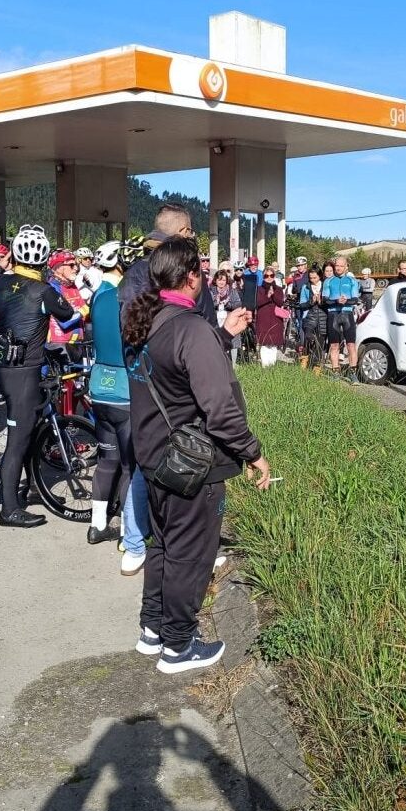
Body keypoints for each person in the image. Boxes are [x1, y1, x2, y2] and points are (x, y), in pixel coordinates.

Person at [123, 237, 269, 674]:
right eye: (201, 272)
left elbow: (174, 374)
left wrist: (222, 335)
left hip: (153, 455)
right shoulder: (190, 328)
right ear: (192, 277)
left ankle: (153, 629)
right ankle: (179, 645)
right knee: (191, 554)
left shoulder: (146, 321)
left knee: (164, 546)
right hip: (190, 463)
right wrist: (253, 452)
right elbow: (218, 409)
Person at [0, 226, 77, 528]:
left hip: (3, 368)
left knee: (27, 433)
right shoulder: (43, 290)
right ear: (43, 259)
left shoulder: (0, 281)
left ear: (15, 255)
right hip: (25, 373)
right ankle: (9, 509)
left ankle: (27, 488)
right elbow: (68, 315)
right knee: (16, 442)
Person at [85, 240, 134, 558]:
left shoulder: (99, 295)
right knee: (130, 466)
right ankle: (129, 534)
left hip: (99, 385)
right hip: (124, 388)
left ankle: (97, 525)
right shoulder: (125, 297)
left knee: (106, 461)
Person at [323, 256, 360, 383]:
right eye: (336, 266)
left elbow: (355, 299)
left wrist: (345, 301)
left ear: (346, 267)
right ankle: (335, 371)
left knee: (351, 345)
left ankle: (353, 373)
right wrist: (336, 301)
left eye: (341, 266)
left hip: (347, 314)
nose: (338, 268)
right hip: (333, 314)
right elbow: (325, 299)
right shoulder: (328, 281)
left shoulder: (352, 280)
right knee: (334, 345)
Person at [46, 250, 87, 351]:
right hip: (58, 344)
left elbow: (84, 312)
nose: (76, 268)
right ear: (59, 267)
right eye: (71, 265)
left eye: (76, 265)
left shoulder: (72, 285)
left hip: (77, 343)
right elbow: (64, 321)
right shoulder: (52, 288)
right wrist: (85, 309)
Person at [253, 265, 286, 368]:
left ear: (274, 276)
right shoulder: (259, 289)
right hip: (263, 319)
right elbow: (257, 303)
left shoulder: (279, 289)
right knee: (264, 344)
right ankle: (265, 366)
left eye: (271, 275)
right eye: (266, 276)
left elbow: (280, 302)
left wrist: (273, 294)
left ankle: (272, 366)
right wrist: (267, 296)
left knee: (273, 344)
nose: (269, 277)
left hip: (276, 319)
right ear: (263, 277)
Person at [298, 267, 328, 368]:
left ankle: (316, 366)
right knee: (308, 336)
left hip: (323, 316)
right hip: (309, 315)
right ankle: (305, 359)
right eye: (310, 278)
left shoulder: (325, 286)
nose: (312, 280)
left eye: (315, 278)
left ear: (320, 276)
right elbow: (302, 304)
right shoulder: (305, 287)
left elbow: (330, 302)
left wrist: (321, 301)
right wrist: (311, 301)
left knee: (320, 342)